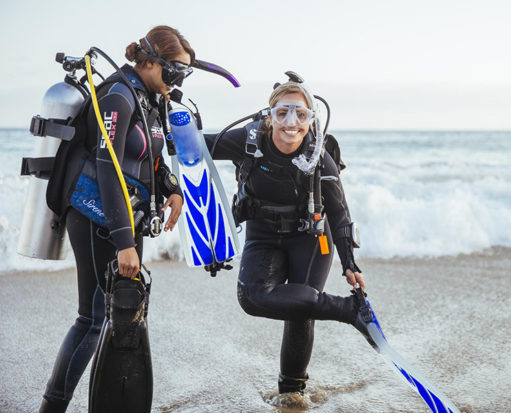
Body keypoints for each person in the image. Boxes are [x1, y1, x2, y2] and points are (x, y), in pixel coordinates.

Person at [39, 25, 193, 412]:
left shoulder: (150, 99)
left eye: (184, 74)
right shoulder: (117, 97)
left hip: (125, 217)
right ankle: (51, 407)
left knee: (122, 315)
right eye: (174, 70)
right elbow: (108, 169)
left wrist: (172, 187)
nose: (177, 81)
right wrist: (124, 242)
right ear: (150, 61)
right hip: (95, 216)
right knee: (92, 319)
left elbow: (149, 157)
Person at [205, 78, 367, 395]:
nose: (291, 124)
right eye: (282, 114)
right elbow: (196, 148)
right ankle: (350, 311)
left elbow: (339, 213)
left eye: (301, 115)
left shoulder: (319, 156)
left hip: (312, 237)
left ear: (311, 120)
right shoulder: (248, 140)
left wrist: (350, 264)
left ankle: (291, 394)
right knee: (251, 297)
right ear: (270, 116)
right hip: (262, 234)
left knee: (300, 310)